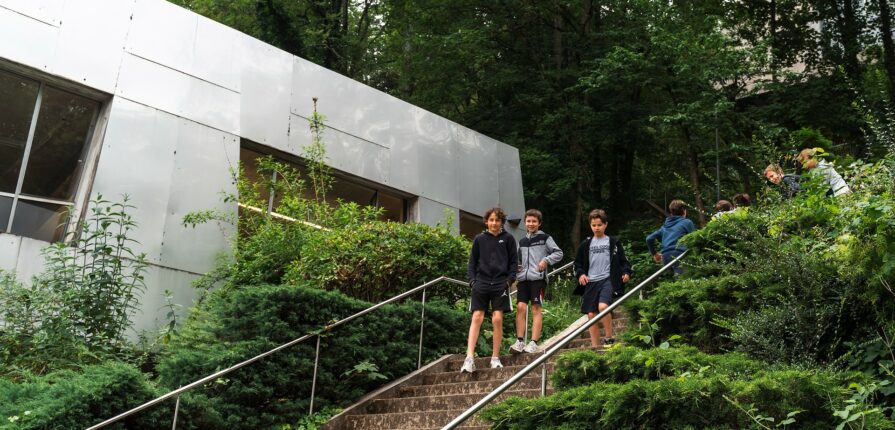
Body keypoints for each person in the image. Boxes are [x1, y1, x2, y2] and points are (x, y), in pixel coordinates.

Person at [462, 207, 518, 373]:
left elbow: (513, 263)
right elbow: (472, 262)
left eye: (497, 220)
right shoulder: (479, 239)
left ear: (501, 222)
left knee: (497, 319)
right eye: (491, 220)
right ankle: (469, 358)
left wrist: (509, 281)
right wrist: (472, 281)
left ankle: (495, 358)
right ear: (486, 221)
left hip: (501, 283)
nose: (494, 223)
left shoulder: (508, 239)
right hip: (481, 283)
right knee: (477, 317)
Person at [573, 209, 632, 347]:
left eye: (599, 225)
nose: (596, 228)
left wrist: (626, 272)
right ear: (590, 225)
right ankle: (595, 347)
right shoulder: (585, 244)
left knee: (603, 306)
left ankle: (609, 337)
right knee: (591, 315)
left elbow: (624, 261)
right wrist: (581, 274)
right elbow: (577, 263)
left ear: (605, 224)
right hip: (591, 281)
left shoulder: (613, 243)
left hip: (608, 279)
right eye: (593, 225)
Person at [510, 209, 563, 354]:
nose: (531, 224)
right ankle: (520, 341)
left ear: (539, 223)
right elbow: (517, 259)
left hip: (538, 279)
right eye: (528, 221)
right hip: (523, 279)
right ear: (525, 222)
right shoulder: (522, 241)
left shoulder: (545, 238)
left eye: (534, 221)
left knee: (535, 309)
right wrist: (516, 268)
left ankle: (533, 342)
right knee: (520, 307)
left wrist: (546, 260)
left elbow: (559, 253)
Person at [645, 200, 696, 276]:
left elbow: (649, 238)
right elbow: (695, 239)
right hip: (680, 254)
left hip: (665, 257)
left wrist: (655, 254)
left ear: (671, 212)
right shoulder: (687, 222)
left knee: (672, 284)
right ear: (684, 211)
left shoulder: (665, 226)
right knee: (684, 281)